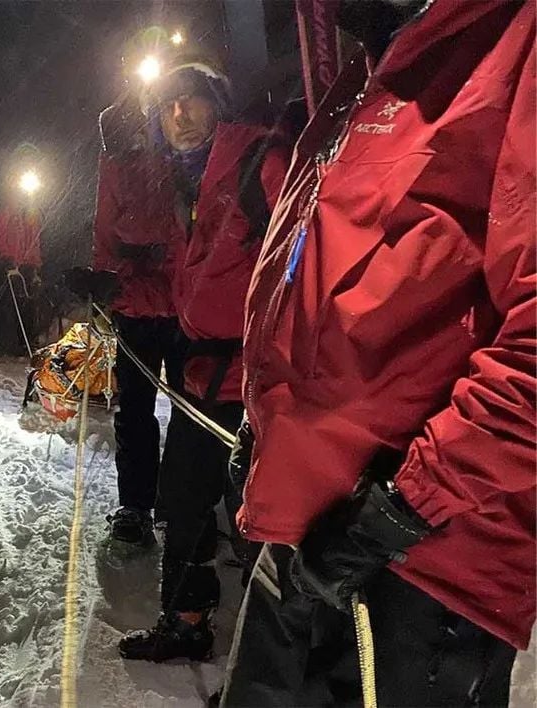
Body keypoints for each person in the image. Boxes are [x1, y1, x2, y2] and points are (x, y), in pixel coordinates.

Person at [218, 0, 535, 704]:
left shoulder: (514, 43)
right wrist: (265, 425)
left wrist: (402, 507)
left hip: (421, 564)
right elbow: (315, 283)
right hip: (308, 535)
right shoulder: (371, 71)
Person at [119, 54, 289, 662]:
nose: (179, 114)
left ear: (219, 104)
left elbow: (301, 268)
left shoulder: (258, 164)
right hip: (202, 372)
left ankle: (272, 665)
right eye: (166, 106)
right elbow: (185, 287)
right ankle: (188, 622)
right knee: (185, 502)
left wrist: (272, 361)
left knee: (261, 524)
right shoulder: (183, 187)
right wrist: (116, 293)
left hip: (256, 378)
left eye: (190, 98)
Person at [89, 92, 187, 546]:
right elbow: (105, 233)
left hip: (183, 300)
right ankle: (137, 503)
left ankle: (186, 501)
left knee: (194, 407)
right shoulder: (115, 168)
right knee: (136, 408)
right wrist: (107, 286)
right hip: (138, 301)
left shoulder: (178, 155)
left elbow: (185, 231)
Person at [0, 200, 42, 355]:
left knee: (27, 303)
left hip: (26, 263)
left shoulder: (31, 211)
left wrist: (34, 264)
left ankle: (26, 343)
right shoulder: (6, 209)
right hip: (6, 262)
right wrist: (4, 256)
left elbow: (34, 238)